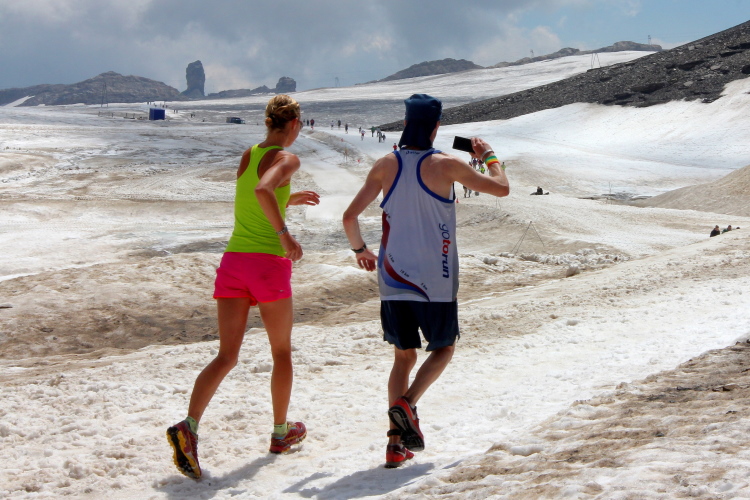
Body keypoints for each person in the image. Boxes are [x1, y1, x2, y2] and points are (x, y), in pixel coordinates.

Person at [342, 94, 510, 469]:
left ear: (405, 124)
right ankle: (408, 403)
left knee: (403, 357)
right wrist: (489, 156)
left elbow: (349, 217)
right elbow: (501, 187)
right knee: (444, 348)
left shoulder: (385, 165)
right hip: (437, 277)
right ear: (436, 127)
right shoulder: (446, 164)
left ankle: (394, 444)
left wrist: (360, 250)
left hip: (393, 276)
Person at [167, 95, 320, 479]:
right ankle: (281, 433)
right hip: (267, 265)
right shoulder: (289, 159)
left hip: (234, 263)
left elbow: (257, 195)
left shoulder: (249, 154)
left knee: (226, 355)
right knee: (281, 352)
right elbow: (263, 192)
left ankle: (189, 427)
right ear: (294, 124)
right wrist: (285, 235)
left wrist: (289, 199)